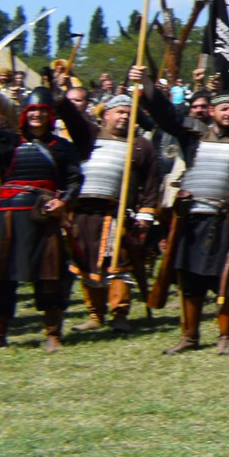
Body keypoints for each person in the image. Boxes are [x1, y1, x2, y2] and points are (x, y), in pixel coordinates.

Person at [0, 79, 94, 350]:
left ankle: (52, 334)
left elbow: (75, 179)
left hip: (42, 217)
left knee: (49, 275)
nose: (36, 114)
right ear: (24, 113)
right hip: (5, 216)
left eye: (42, 110)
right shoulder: (6, 141)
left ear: (49, 114)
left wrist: (63, 201)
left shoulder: (62, 147)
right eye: (32, 110)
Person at [147, 85, 229, 354]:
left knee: (226, 279)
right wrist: (147, 86)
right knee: (189, 279)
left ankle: (226, 336)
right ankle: (190, 336)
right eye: (224, 109)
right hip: (191, 220)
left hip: (225, 220)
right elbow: (165, 116)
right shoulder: (193, 135)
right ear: (212, 111)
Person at [67, 86, 167, 331]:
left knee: (117, 265)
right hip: (82, 212)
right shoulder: (89, 136)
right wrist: (59, 93)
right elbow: (70, 116)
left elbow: (151, 184)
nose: (124, 117)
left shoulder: (141, 145)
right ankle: (95, 314)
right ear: (106, 114)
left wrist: (145, 215)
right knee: (86, 264)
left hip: (116, 214)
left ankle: (119, 314)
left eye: (129, 113)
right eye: (119, 112)